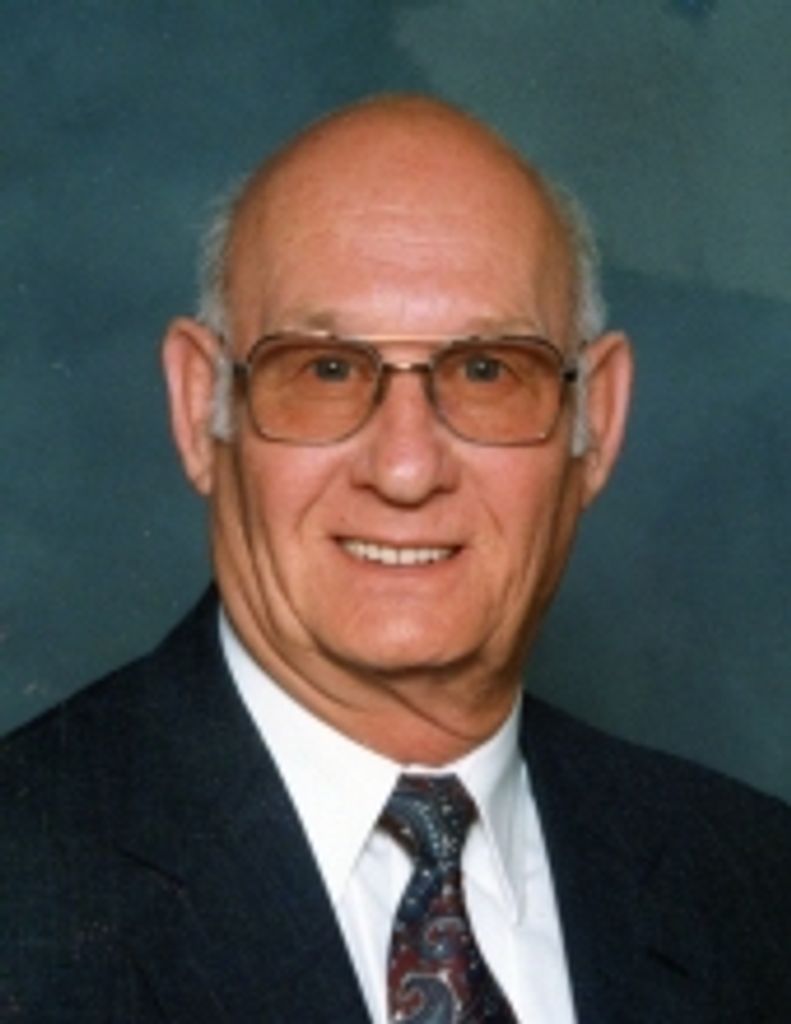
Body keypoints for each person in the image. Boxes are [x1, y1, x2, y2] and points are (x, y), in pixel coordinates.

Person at [1, 94, 789, 1023]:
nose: (406, 469)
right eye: (325, 370)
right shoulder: (28, 882)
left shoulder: (755, 891)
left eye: (488, 370)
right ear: (197, 405)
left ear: (598, 420)